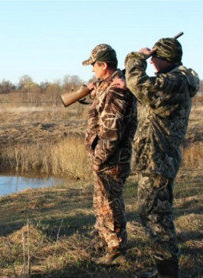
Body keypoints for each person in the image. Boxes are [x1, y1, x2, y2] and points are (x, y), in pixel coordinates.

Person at [124, 37, 200, 278]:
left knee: (156, 216)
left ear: (162, 58)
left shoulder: (172, 82)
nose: (152, 61)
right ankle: (164, 270)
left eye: (155, 57)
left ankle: (167, 273)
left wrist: (136, 58)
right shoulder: (175, 80)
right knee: (153, 213)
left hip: (159, 159)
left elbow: (138, 84)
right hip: (157, 157)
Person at [82, 44, 138, 266]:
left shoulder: (116, 90)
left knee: (110, 206)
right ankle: (108, 243)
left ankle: (117, 251)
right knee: (103, 204)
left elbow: (111, 134)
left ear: (104, 65)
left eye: (94, 65)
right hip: (107, 159)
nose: (92, 70)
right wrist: (95, 93)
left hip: (110, 160)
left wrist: (98, 160)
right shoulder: (109, 86)